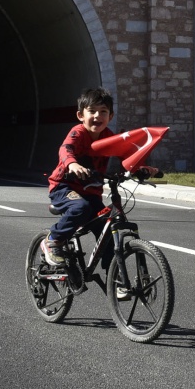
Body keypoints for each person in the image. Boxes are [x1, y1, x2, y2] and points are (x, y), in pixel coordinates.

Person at [43, 87, 118, 276]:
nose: (97, 116)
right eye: (92, 111)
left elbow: (127, 154)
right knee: (80, 208)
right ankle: (53, 240)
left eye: (103, 112)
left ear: (111, 116)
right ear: (80, 115)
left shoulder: (110, 137)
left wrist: (141, 167)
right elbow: (65, 149)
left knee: (107, 227)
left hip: (91, 192)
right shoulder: (78, 133)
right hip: (64, 186)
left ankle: (115, 276)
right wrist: (72, 164)